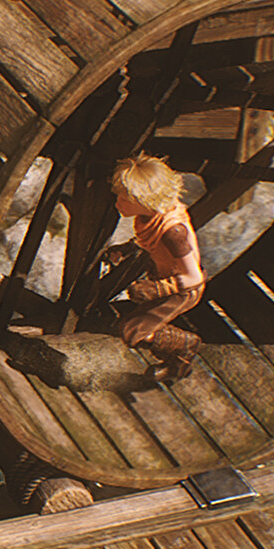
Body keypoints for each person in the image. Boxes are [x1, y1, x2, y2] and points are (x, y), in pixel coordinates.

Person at [102, 153, 204, 381]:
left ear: (145, 201)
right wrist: (128, 248)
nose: (117, 203)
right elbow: (149, 239)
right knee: (136, 324)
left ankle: (185, 345)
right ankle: (177, 365)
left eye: (124, 199)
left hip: (183, 290)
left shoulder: (173, 232)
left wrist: (157, 289)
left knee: (133, 331)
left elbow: (194, 277)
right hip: (164, 276)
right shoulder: (149, 215)